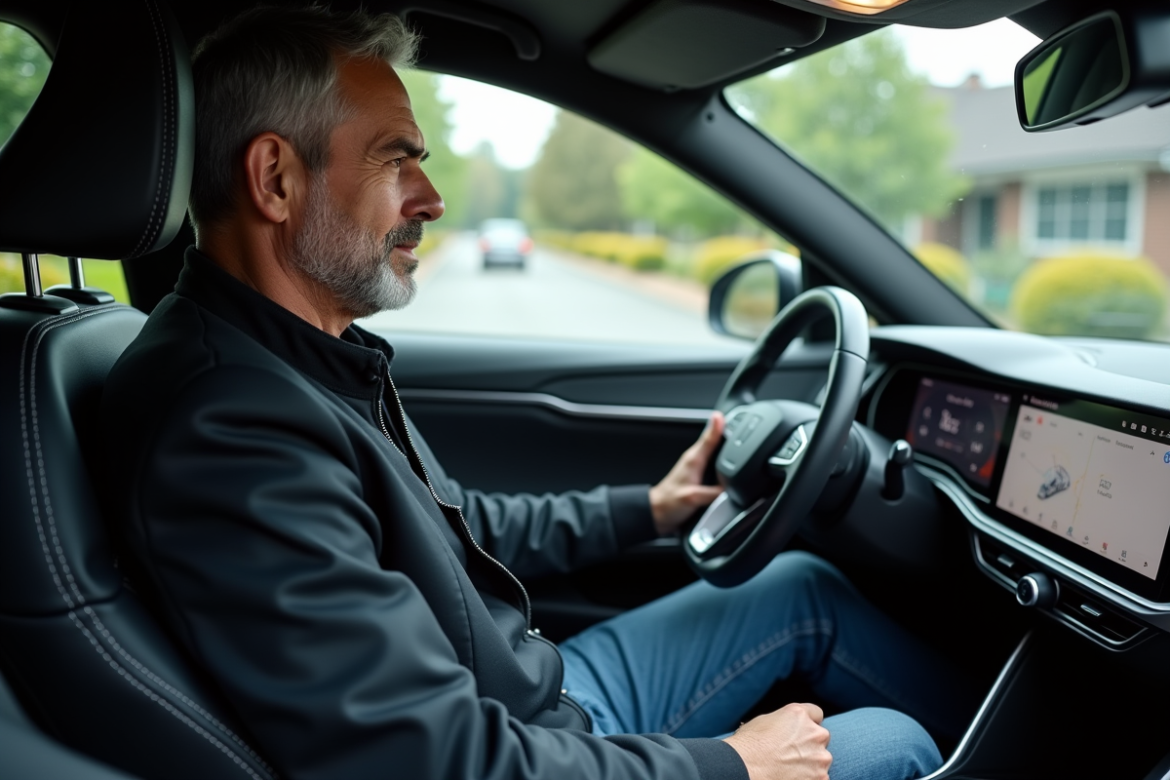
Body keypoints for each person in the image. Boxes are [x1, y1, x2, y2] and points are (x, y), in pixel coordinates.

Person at [100, 6, 977, 780]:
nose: (433, 198)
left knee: (802, 586)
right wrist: (735, 766)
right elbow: (431, 761)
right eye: (395, 159)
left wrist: (655, 509)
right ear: (275, 179)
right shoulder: (235, 432)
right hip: (523, 739)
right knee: (889, 741)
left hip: (530, 702)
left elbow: (462, 535)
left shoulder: (305, 360)